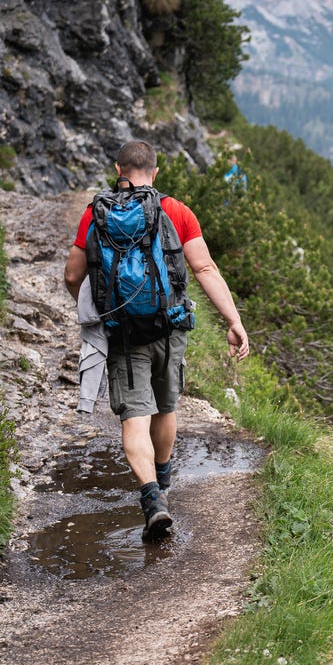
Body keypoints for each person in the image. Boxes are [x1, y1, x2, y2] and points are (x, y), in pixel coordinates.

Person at [63, 140, 249, 540]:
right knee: (166, 408)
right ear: (155, 171)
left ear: (118, 169)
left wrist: (96, 311)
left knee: (134, 417)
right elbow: (205, 268)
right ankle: (163, 483)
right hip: (169, 327)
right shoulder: (176, 211)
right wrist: (234, 321)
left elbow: (72, 276)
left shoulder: (95, 213)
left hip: (123, 334)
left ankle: (152, 499)